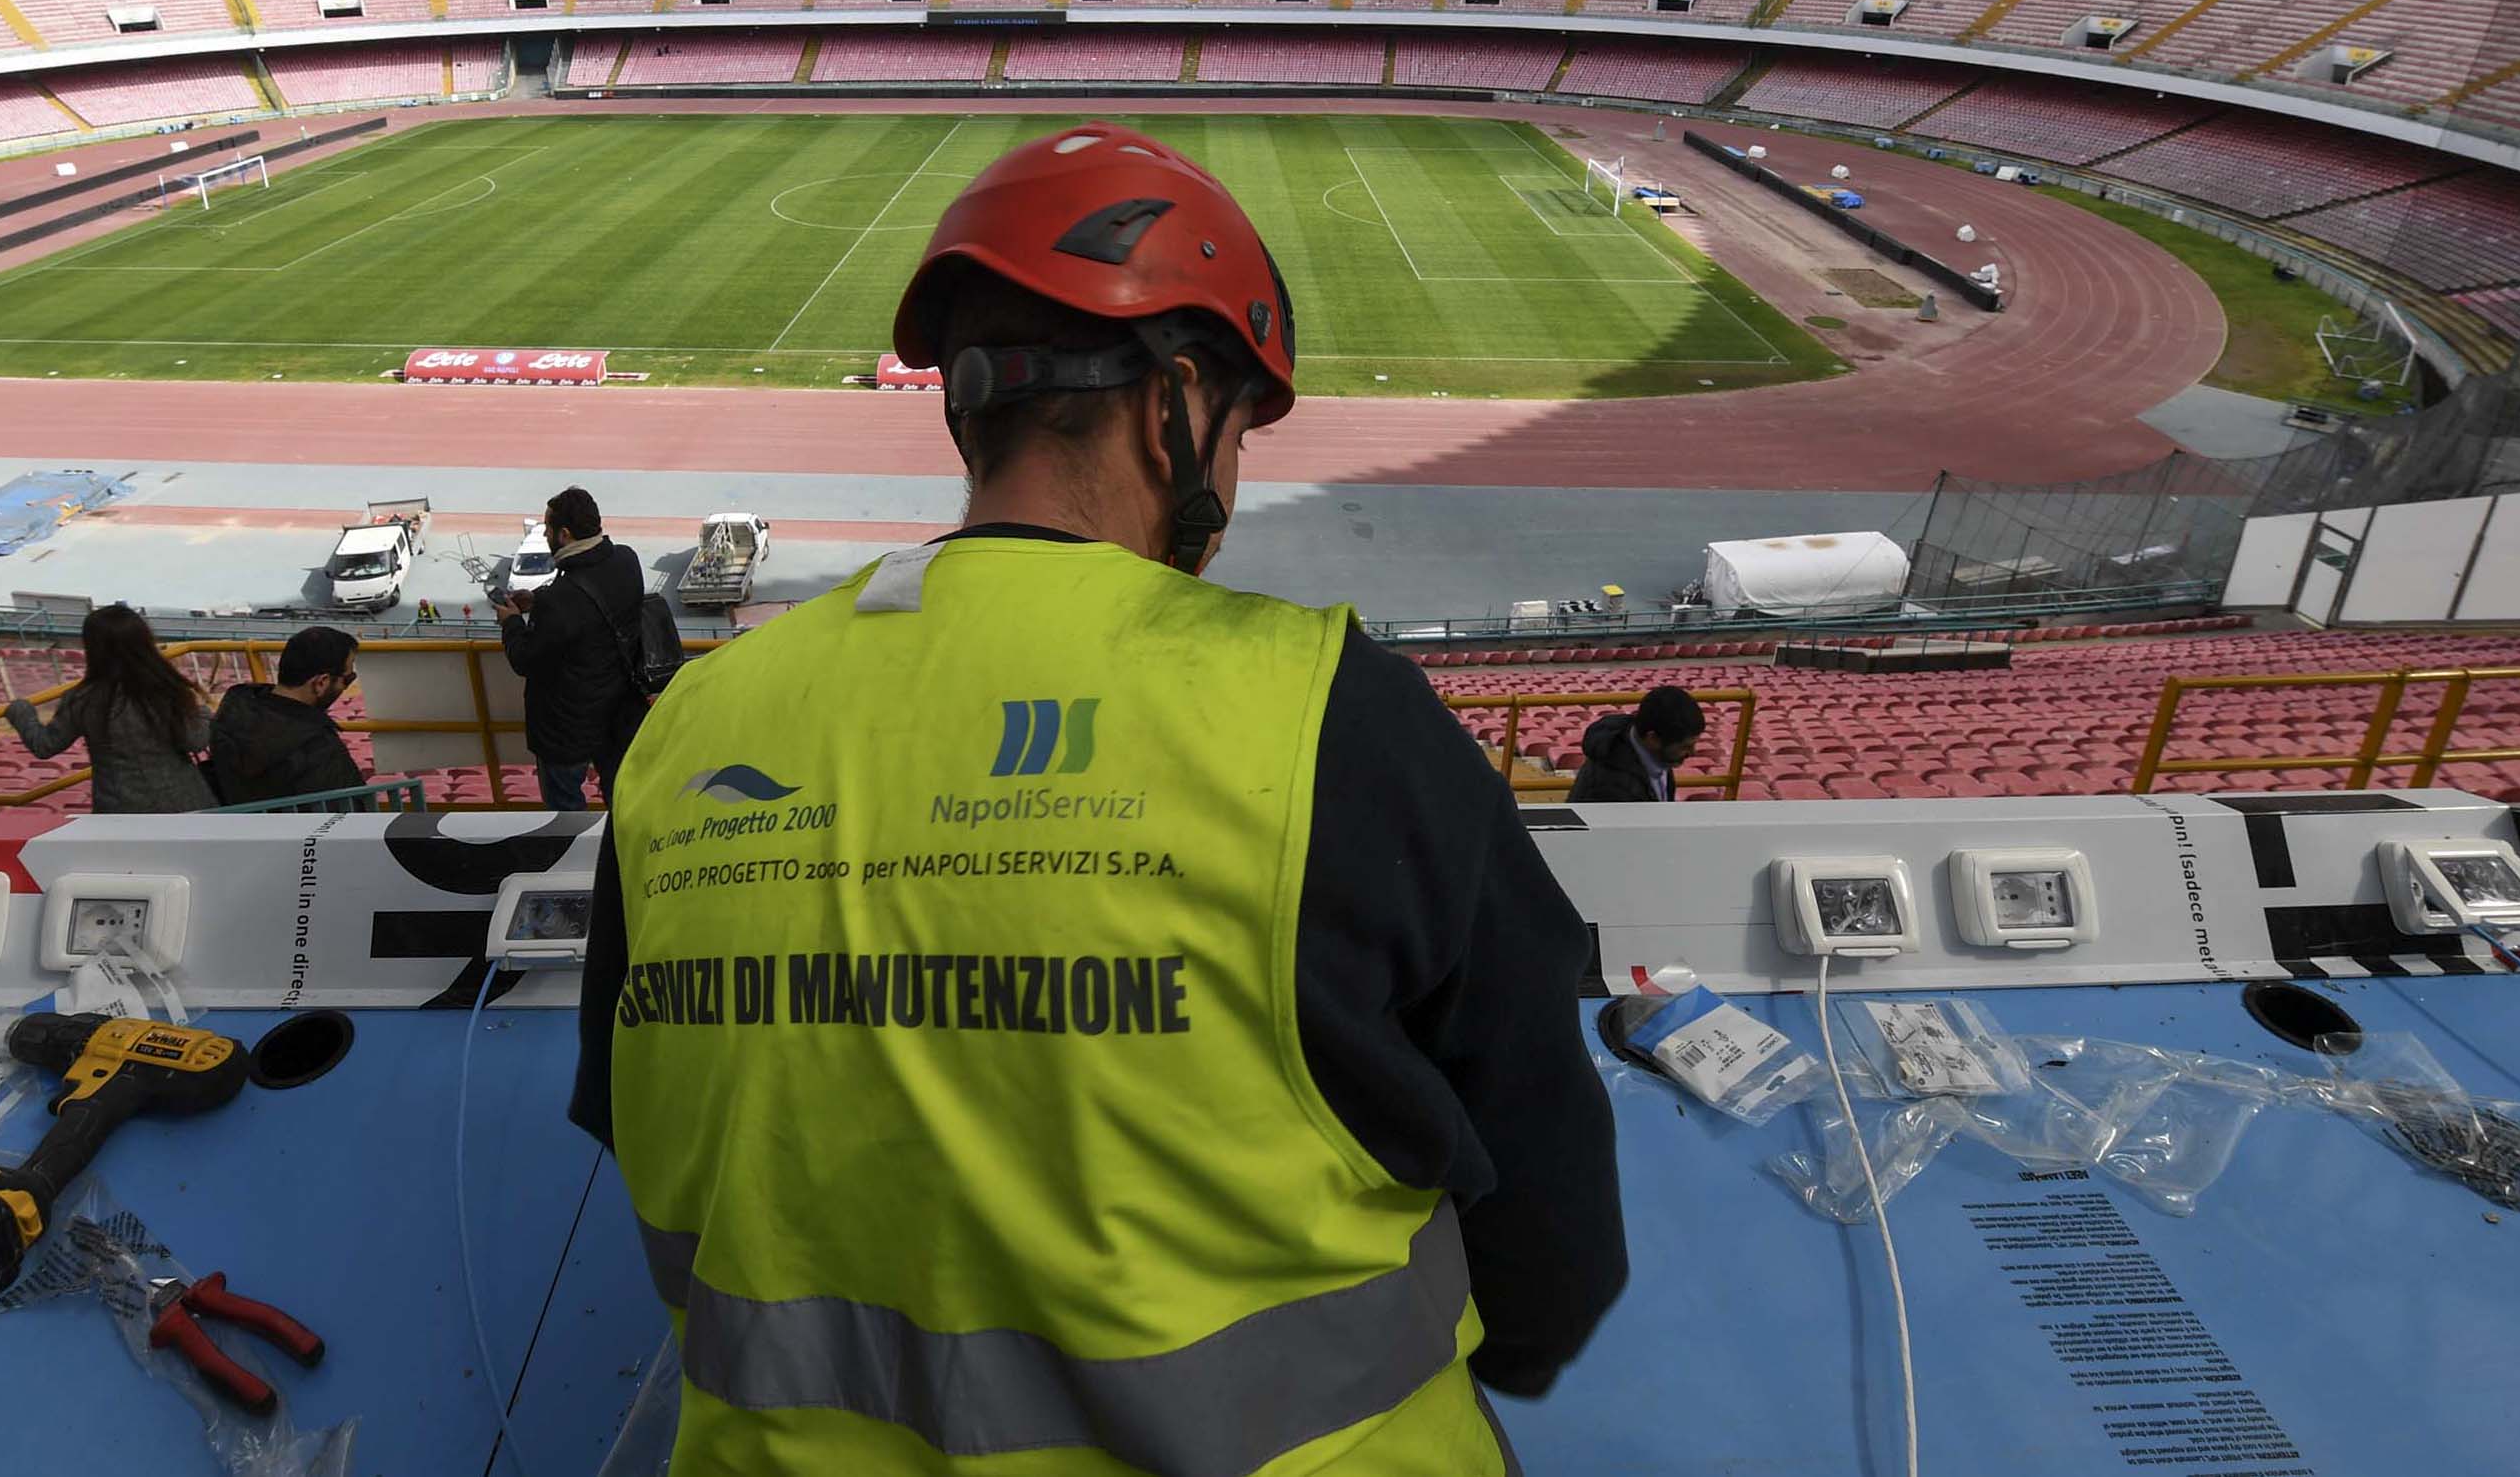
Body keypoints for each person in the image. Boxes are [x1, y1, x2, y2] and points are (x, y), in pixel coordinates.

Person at [571, 123, 1624, 1469]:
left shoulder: (688, 729)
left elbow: (636, 1116)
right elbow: (1547, 1215)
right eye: (1235, 428)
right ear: (1171, 402)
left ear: (968, 404)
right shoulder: (1326, 712)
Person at [495, 488, 643, 811]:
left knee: (566, 815)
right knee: (621, 802)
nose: (545, 535)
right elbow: (595, 616)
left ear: (564, 535)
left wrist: (511, 622)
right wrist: (539, 601)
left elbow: (525, 659)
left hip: (566, 730)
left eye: (548, 529)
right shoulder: (628, 560)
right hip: (619, 715)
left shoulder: (558, 601)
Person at [3, 604, 216, 813]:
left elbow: (44, 745)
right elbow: (195, 740)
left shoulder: (82, 698)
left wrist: (20, 710)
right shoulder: (166, 689)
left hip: (119, 811)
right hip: (184, 806)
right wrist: (204, 713)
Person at [206, 625, 367, 806]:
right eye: (348, 679)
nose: (346, 686)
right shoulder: (319, 747)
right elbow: (352, 810)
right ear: (321, 683)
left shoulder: (232, 714)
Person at [1566, 684, 1705, 805]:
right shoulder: (1612, 787)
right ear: (1653, 739)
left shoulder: (1652, 752)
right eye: (1685, 746)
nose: (1693, 753)